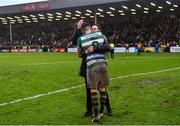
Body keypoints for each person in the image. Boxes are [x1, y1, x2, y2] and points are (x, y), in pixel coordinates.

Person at [73, 22, 112, 117]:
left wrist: (94, 48)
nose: (93, 30)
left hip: (97, 64)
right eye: (92, 29)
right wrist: (78, 28)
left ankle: (107, 109)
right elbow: (75, 41)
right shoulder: (84, 38)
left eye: (95, 29)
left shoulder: (101, 37)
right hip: (87, 65)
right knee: (89, 88)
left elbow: (107, 47)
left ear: (98, 30)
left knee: (101, 88)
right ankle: (90, 110)